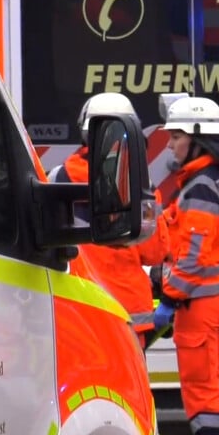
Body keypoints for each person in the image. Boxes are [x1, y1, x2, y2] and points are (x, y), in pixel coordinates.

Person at [152, 96, 219, 435]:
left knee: (201, 396)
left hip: (198, 304)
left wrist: (168, 300)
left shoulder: (201, 187)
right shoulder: (211, 179)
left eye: (176, 136)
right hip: (216, 300)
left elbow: (192, 255)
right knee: (210, 391)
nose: (170, 145)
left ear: (198, 139)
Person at [50, 92, 169, 347]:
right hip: (128, 310)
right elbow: (155, 252)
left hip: (78, 304)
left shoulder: (57, 177)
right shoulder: (143, 186)